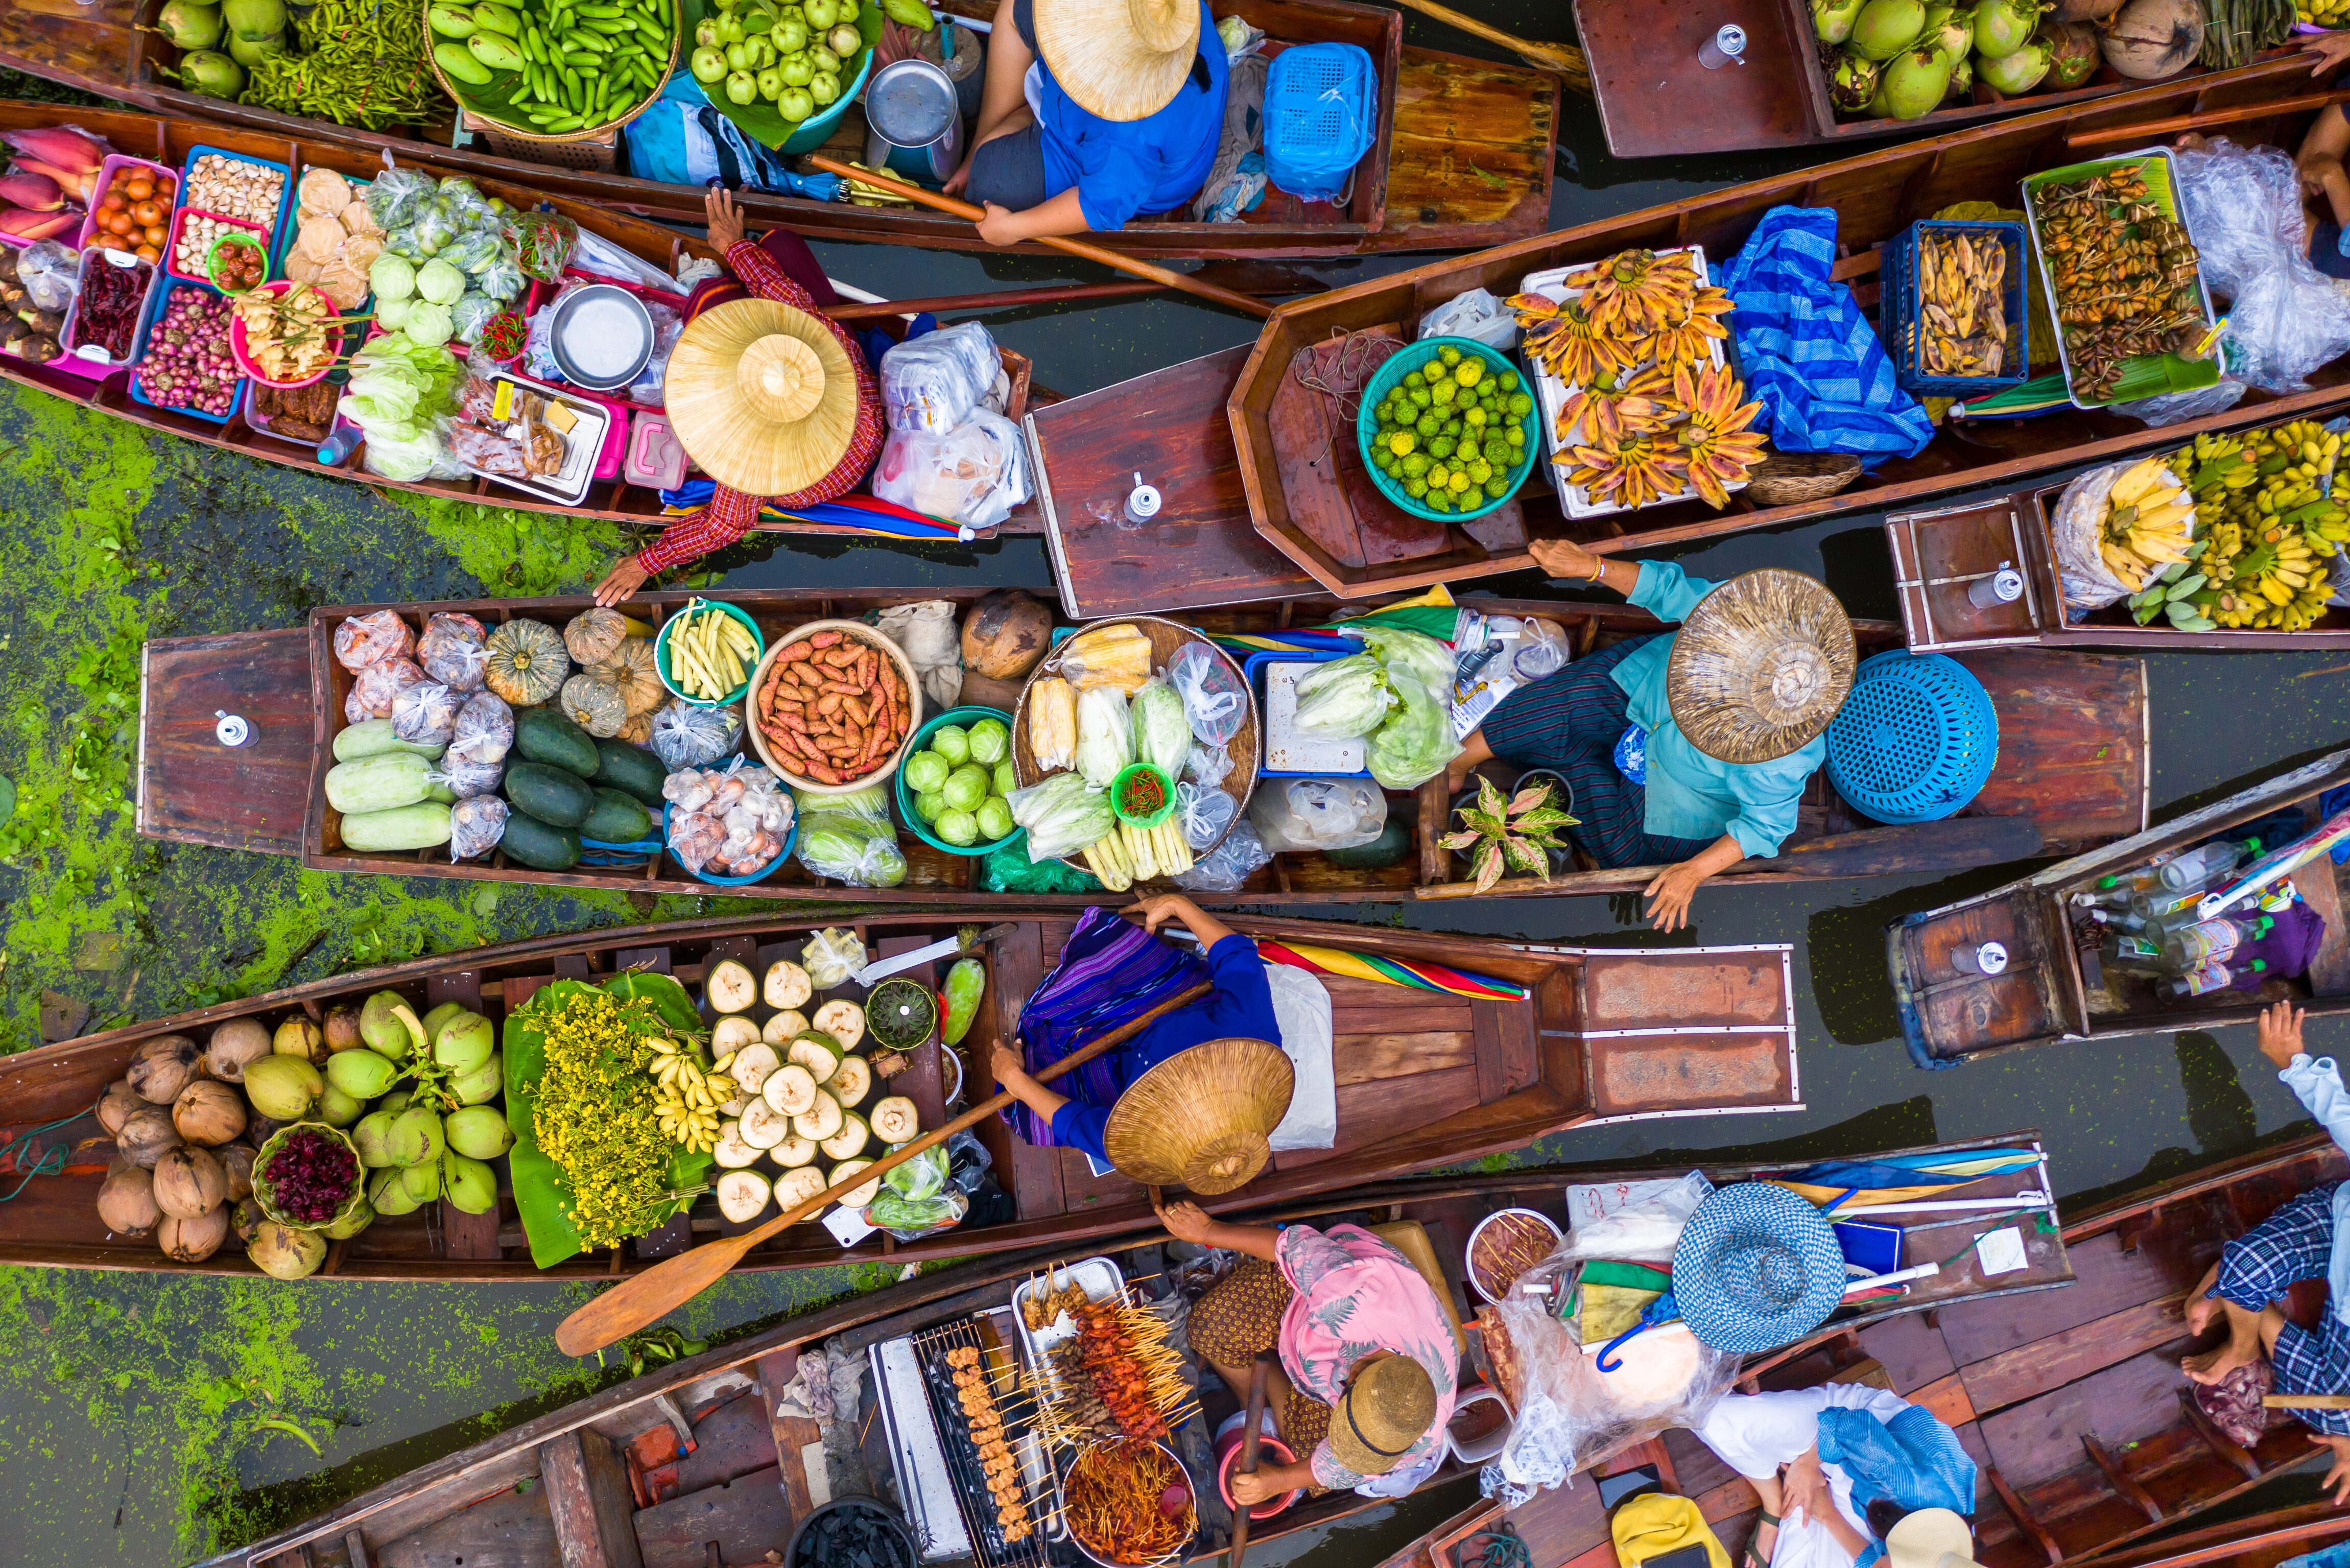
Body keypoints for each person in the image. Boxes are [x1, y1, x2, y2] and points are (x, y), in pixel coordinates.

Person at [1447, 537, 1855, 933]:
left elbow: (1765, 827)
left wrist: (1693, 872)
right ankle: (1465, 756)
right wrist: (1590, 566)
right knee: (1568, 701)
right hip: (1642, 688)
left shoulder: (1782, 756)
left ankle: (1554, 762)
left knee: (1628, 854)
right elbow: (1669, 590)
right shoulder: (1752, 619)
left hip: (1676, 794)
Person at [592, 188, 883, 607]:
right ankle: (737, 270)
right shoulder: (824, 343)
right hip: (858, 422)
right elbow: (780, 291)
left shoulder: (752, 463)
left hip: (827, 473)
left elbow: (725, 526)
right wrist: (732, 245)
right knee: (780, 246)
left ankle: (722, 291)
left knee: (707, 298)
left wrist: (645, 562)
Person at [1155, 1197, 1456, 1502]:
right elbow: (1289, 1248)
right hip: (1305, 1294)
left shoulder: (1417, 1427)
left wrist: (1278, 1481)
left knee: (1306, 1468)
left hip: (1319, 1365)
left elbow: (1349, 1467)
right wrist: (1208, 1231)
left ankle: (1267, 1377)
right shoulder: (1352, 1298)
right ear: (1352, 1375)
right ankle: (1266, 1374)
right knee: (1210, 1328)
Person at [2180, 1000, 2350, 1503]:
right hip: (2336, 1221)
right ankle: (2239, 1340)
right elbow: (2340, 1115)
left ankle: (2246, 1306)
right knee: (2247, 1269)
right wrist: (2291, 1060)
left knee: (2329, 1413)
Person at [990, 893, 1278, 1168]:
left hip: (1125, 1079)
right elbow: (1237, 957)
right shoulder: (1252, 1038)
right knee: (1111, 954)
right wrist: (1177, 904)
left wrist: (1015, 1081)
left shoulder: (1143, 1144)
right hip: (1172, 1004)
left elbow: (1074, 1123)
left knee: (1031, 1113)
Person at [941, 0, 1228, 246]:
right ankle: (1003, 128)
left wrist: (1012, 229)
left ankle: (1027, 117)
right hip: (1104, 122)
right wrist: (977, 146)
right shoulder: (1158, 14)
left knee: (988, 182)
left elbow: (1099, 206)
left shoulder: (1130, 128)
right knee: (1021, 8)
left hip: (1122, 169)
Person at [1693, 1383, 1976, 1568]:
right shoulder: (1910, 1487)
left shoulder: (1945, 1554)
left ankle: (1804, 1495)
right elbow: (1848, 1425)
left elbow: (1870, 1561)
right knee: (1711, 1417)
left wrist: (1827, 1512)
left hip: (1870, 1498)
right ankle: (1773, 1504)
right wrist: (1806, 1468)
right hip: (1859, 1428)